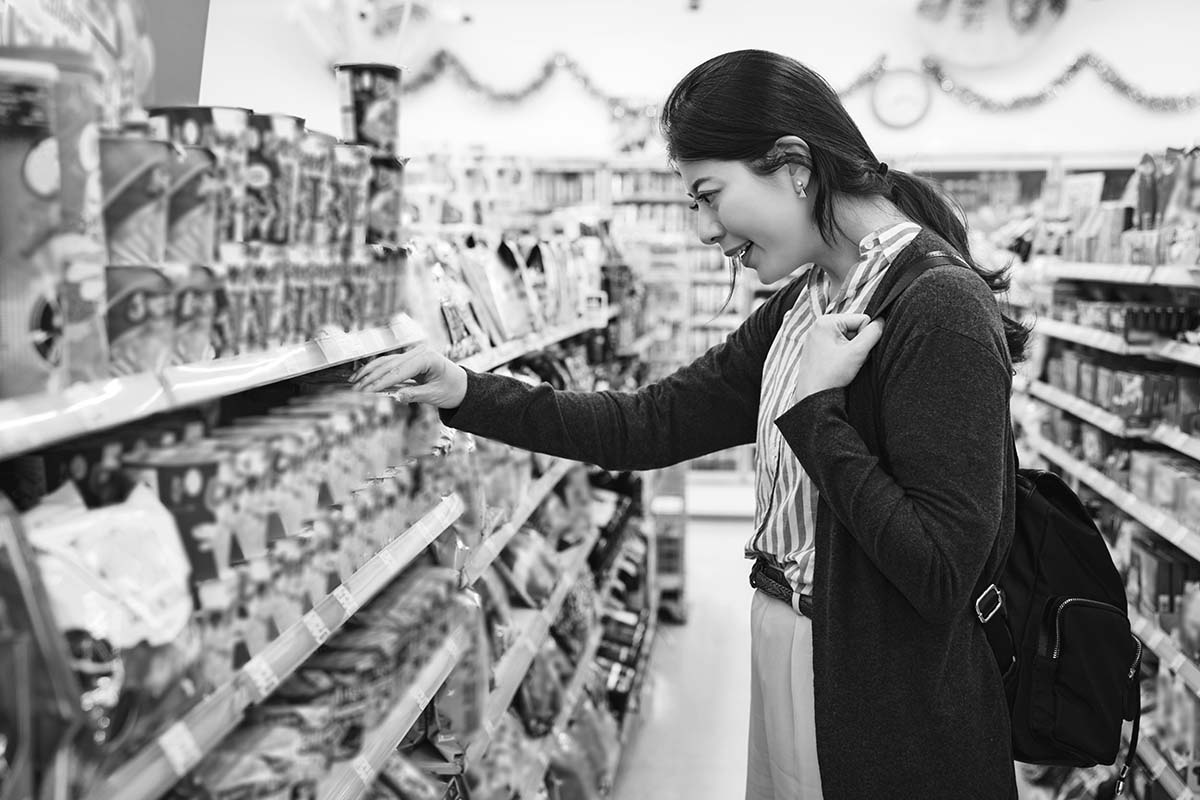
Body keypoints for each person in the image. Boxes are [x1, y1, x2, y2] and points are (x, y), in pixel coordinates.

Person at [352, 49, 1025, 800]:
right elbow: (648, 424)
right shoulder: (808, 302)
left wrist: (814, 414)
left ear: (795, 166)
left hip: (887, 700)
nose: (706, 230)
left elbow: (939, 572)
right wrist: (463, 389)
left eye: (710, 194)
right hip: (796, 649)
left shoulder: (938, 308)